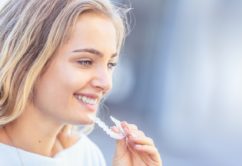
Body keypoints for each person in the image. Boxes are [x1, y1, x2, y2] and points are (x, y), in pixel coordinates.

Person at [0, 0, 162, 165]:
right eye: (85, 62)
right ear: (25, 62)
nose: (106, 84)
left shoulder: (86, 156)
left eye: (110, 65)